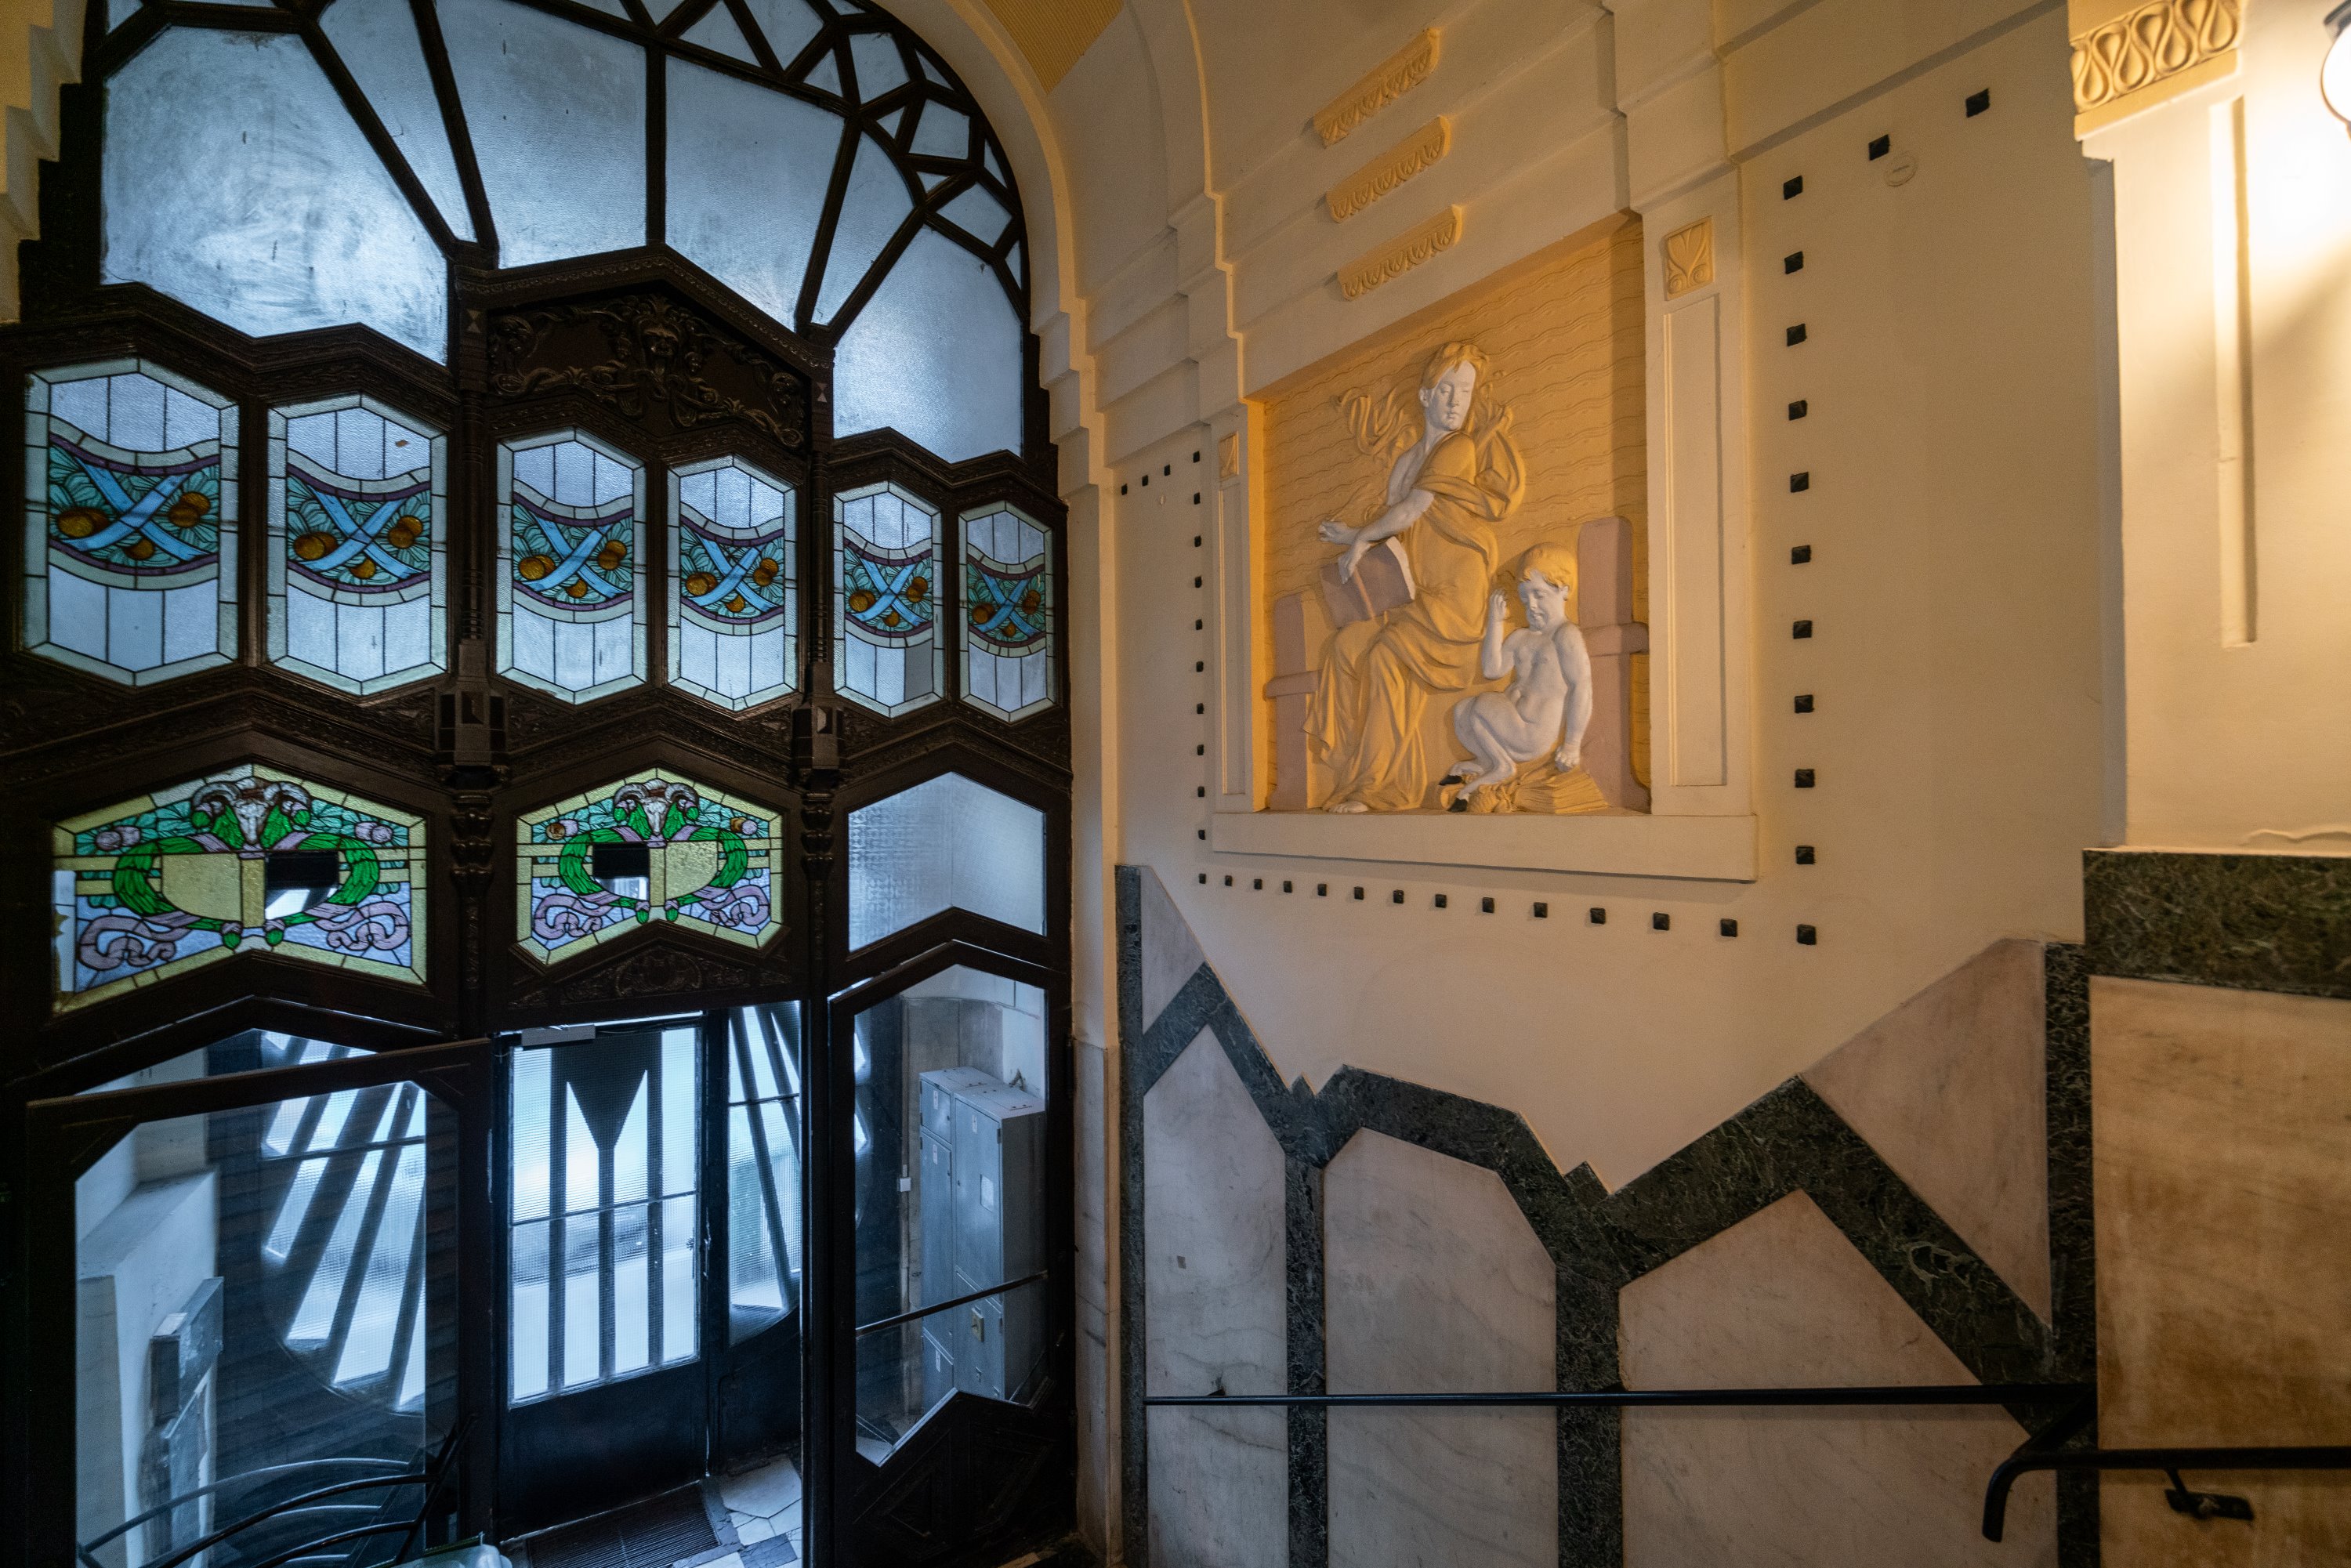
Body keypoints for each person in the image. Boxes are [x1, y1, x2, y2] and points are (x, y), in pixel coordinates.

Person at [1306, 342, 1523, 812]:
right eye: (1446, 389)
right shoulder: (1406, 463)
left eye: (1464, 392)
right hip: (1417, 595)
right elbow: (1396, 537)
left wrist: (1358, 538)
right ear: (1425, 395)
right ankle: (1348, 763)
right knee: (1344, 646)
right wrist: (1355, 539)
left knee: (1385, 656)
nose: (1455, 402)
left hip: (1456, 596)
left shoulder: (1459, 447)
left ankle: (1376, 787)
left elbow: (1413, 510)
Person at [1446, 541, 1592, 811]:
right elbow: (1492, 669)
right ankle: (1489, 761)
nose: (1531, 605)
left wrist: (1571, 745)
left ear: (1564, 590)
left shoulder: (1566, 636)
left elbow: (1582, 687)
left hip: (1533, 732)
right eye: (1525, 598)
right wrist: (1496, 621)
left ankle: (1501, 767)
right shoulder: (1522, 637)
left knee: (1482, 704)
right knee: (1462, 710)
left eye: (1539, 595)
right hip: (1508, 726)